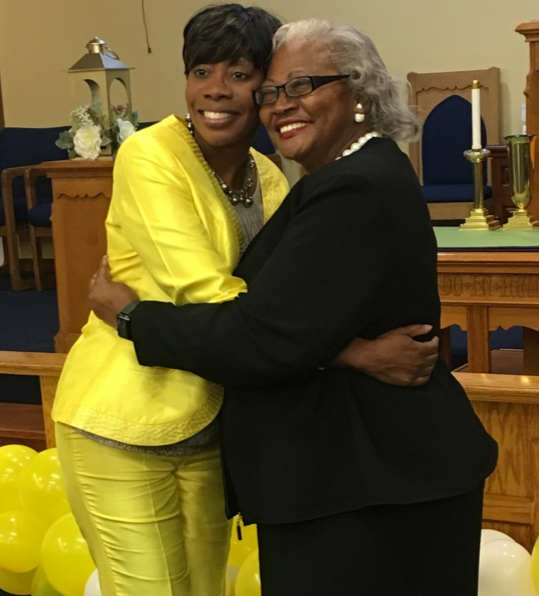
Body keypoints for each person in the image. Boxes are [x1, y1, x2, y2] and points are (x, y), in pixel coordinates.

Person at [89, 17, 498, 596]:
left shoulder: (353, 187)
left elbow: (261, 337)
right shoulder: (342, 175)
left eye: (303, 86)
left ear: (357, 92)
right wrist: (351, 352)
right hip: (357, 478)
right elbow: (286, 327)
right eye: (272, 92)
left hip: (368, 484)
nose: (282, 105)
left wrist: (133, 319)